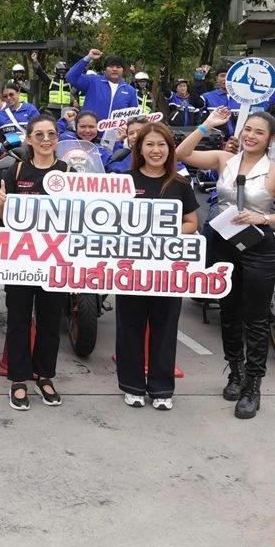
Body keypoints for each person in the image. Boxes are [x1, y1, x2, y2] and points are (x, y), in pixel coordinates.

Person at [176, 106, 275, 418]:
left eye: (259, 132)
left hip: (259, 247)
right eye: (248, 129)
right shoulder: (225, 159)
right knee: (229, 313)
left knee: (256, 319)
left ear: (270, 139)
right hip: (224, 243)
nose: (251, 136)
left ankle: (253, 387)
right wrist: (207, 125)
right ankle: (235, 373)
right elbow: (181, 154)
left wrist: (263, 217)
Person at [115, 123, 199, 410]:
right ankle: (132, 386)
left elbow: (192, 223)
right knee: (130, 327)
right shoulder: (124, 182)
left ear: (170, 149)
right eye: (149, 144)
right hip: (130, 269)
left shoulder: (180, 184)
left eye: (161, 144)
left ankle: (162, 388)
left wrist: (163, 233)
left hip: (168, 269)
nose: (156, 150)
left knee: (165, 326)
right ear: (139, 148)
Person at [0, 115, 67, 410]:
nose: (46, 140)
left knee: (50, 322)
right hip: (20, 259)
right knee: (18, 320)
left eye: (51, 134)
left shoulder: (69, 172)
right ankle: (18, 379)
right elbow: (4, 219)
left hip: (56, 260)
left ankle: (45, 376)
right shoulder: (17, 170)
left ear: (58, 138)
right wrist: (0, 206)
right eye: (39, 135)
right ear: (29, 139)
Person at [66, 49, 139, 121]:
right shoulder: (93, 81)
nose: (114, 69)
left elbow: (133, 117)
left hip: (117, 129)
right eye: (111, 66)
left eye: (118, 67)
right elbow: (70, 77)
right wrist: (88, 58)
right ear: (105, 69)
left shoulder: (130, 90)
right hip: (90, 128)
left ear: (123, 70)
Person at [31, 52, 74, 117]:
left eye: (64, 71)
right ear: (56, 70)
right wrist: (35, 61)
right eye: (60, 70)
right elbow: (41, 73)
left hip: (66, 109)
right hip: (52, 109)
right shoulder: (51, 80)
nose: (62, 72)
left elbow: (79, 75)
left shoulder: (69, 81)